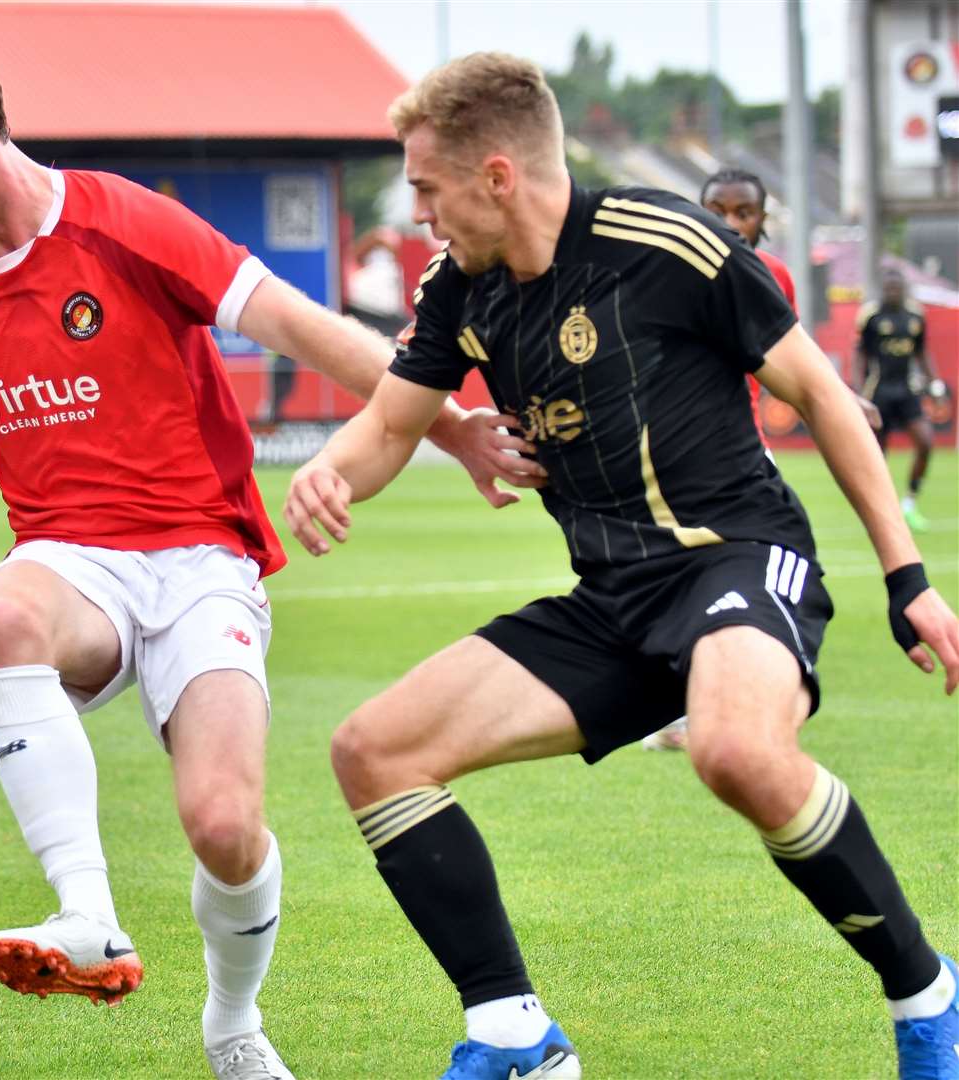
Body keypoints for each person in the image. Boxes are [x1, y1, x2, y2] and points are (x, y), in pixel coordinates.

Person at [0, 31, 542, 1080]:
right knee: (7, 612)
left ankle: (232, 1027)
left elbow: (292, 322)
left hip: (200, 557)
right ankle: (84, 914)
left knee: (226, 828)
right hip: (68, 559)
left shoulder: (122, 221)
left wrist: (443, 421)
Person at [285, 53, 959, 1080]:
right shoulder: (456, 288)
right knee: (373, 752)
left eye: (426, 187)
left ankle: (928, 994)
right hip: (614, 603)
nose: (417, 211)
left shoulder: (664, 242)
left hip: (736, 561)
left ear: (496, 174)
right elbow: (388, 424)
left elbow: (824, 396)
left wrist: (906, 579)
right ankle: (515, 1037)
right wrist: (330, 473)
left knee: (732, 751)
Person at [643, 166, 882, 752]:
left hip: (742, 451)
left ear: (763, 220)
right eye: (715, 210)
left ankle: (729, 701)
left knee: (763, 569)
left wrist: (841, 398)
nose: (729, 223)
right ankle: (706, 703)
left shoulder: (771, 277)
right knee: (703, 571)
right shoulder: (662, 274)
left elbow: (789, 362)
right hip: (670, 453)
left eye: (742, 212)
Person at [857, 268, 936, 532]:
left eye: (896, 287)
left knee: (925, 442)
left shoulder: (915, 315)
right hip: (879, 391)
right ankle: (880, 511)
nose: (892, 291)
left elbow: (922, 352)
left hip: (906, 389)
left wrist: (933, 382)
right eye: (888, 287)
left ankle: (910, 503)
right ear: (883, 288)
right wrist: (859, 389)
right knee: (878, 455)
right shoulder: (871, 315)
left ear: (903, 288)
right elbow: (860, 353)